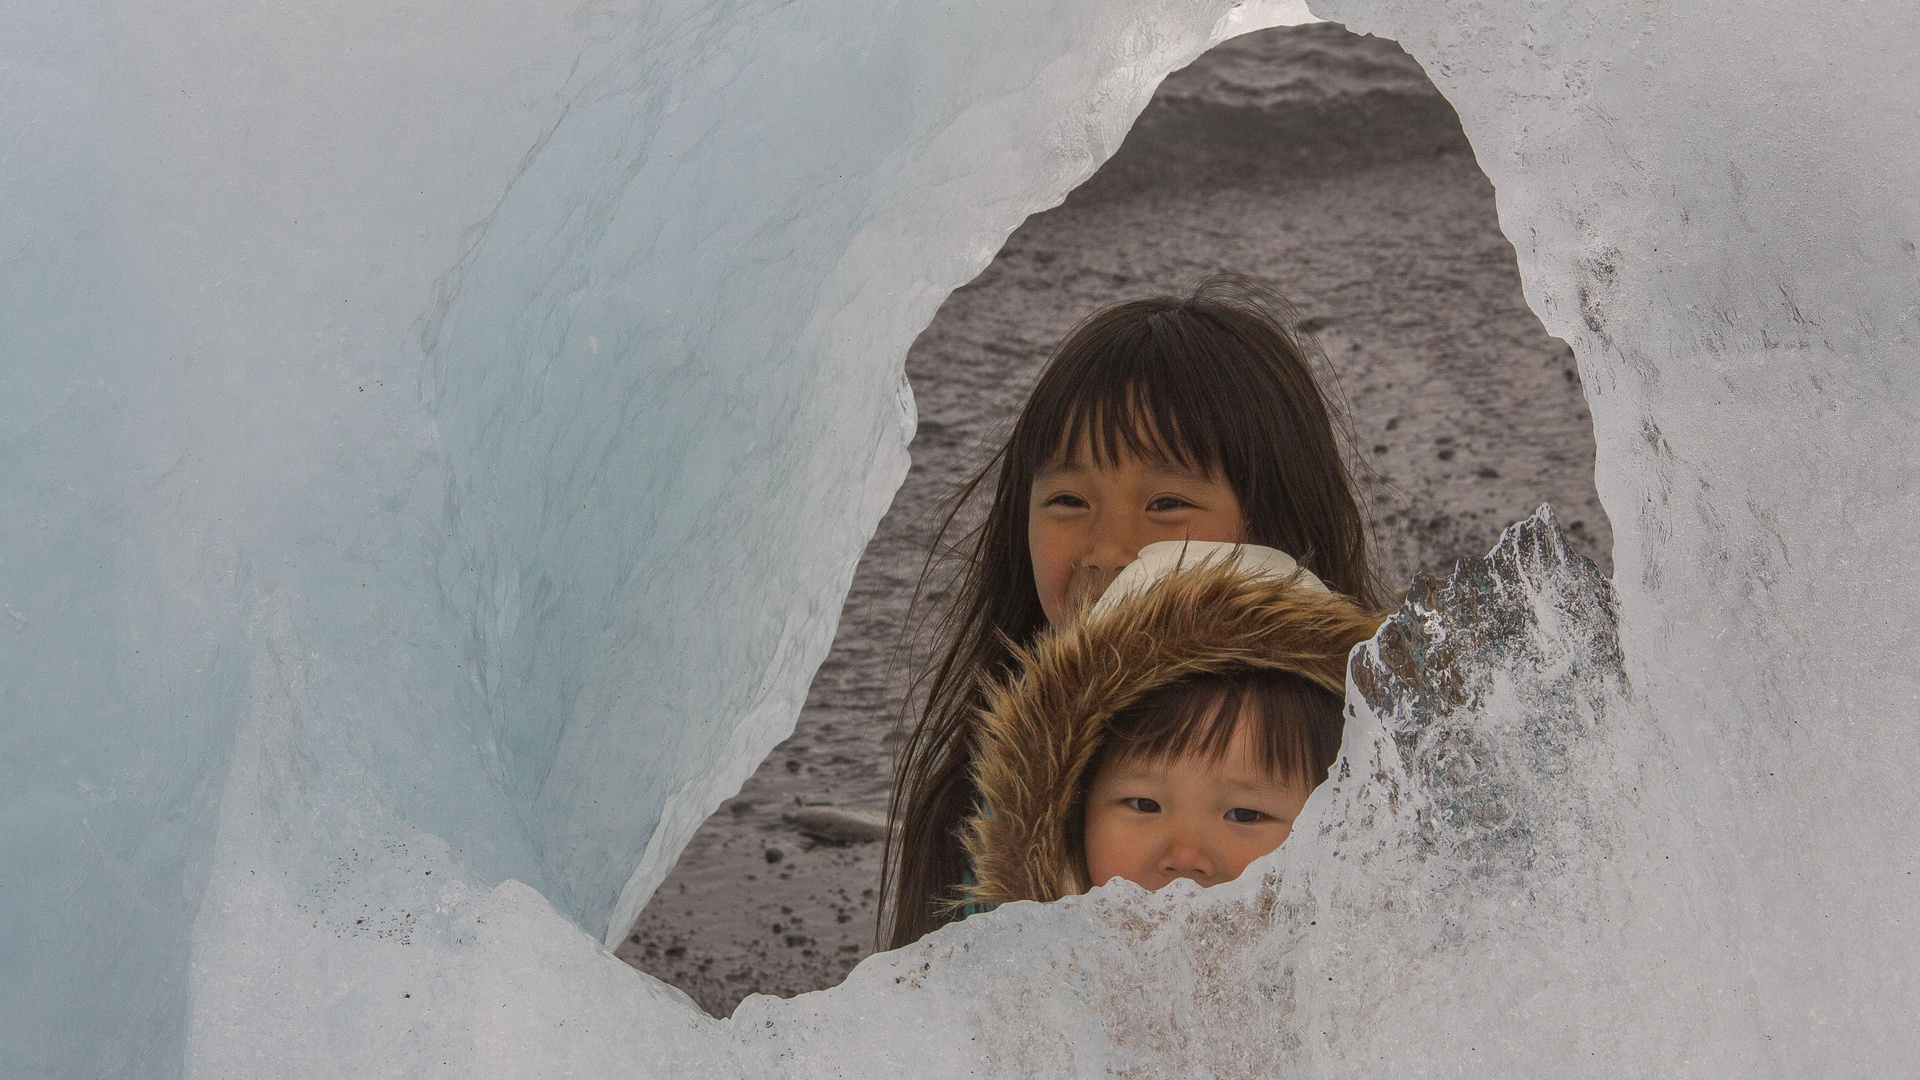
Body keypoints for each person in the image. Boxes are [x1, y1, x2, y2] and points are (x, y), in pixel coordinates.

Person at [883, 276, 1383, 947]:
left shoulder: (1376, 755)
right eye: (1068, 501)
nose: (1109, 548)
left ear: (1275, 522)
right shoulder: (981, 799)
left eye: (1166, 503)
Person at [952, 543, 1386, 907]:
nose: (1184, 857)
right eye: (1143, 805)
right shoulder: (1019, 988)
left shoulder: (1388, 998)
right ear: (1068, 813)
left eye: (1245, 814)